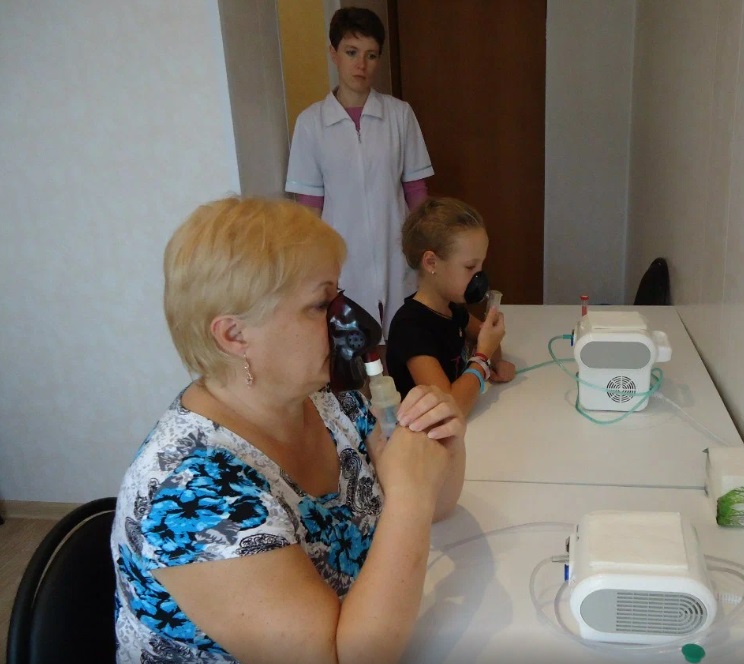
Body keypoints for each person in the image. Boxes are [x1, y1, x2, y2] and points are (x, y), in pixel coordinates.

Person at [110, 197, 466, 664]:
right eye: (321, 304)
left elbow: (440, 505)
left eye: (339, 296)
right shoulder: (192, 496)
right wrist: (410, 497)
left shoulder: (326, 399)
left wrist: (444, 438)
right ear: (234, 335)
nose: (353, 322)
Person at [285, 6, 433, 332]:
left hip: (397, 253)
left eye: (371, 55)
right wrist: (309, 268)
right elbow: (308, 210)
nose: (361, 65)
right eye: (351, 52)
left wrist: (425, 250)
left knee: (403, 336)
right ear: (333, 54)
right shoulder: (311, 124)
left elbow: (416, 191)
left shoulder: (400, 115)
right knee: (354, 345)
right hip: (341, 258)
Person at [386, 197, 516, 417]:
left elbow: (489, 343)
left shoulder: (453, 309)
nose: (479, 276)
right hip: (426, 434)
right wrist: (483, 358)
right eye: (470, 267)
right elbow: (448, 407)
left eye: (481, 265)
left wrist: (492, 356)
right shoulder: (410, 327)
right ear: (431, 263)